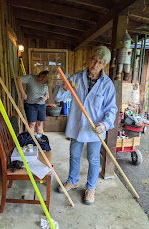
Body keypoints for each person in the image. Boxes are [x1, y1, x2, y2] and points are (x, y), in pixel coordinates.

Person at [55, 46, 118, 205]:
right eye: (94, 60)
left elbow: (111, 109)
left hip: (94, 129)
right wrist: (64, 87)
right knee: (74, 155)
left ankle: (91, 188)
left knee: (93, 159)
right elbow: (59, 97)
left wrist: (104, 125)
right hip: (77, 126)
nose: (95, 65)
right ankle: (72, 180)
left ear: (104, 65)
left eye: (100, 62)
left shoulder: (107, 84)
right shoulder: (76, 78)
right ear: (90, 59)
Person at [16, 70, 49, 139]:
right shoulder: (30, 78)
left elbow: (47, 94)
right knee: (32, 124)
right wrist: (22, 93)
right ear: (39, 74)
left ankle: (39, 140)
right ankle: (31, 140)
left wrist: (44, 98)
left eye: (44, 80)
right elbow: (18, 79)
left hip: (41, 105)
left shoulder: (45, 83)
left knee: (40, 123)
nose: (42, 80)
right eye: (41, 78)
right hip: (30, 104)